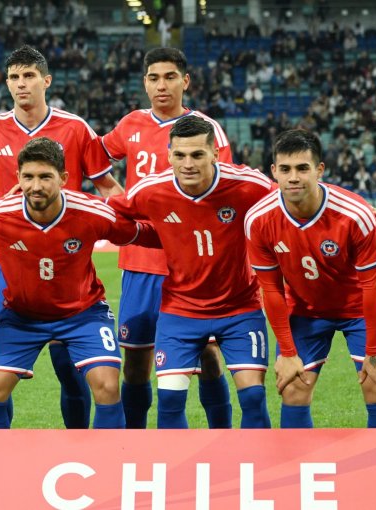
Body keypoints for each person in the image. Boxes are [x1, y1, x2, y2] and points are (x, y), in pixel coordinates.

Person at [0, 45, 124, 429]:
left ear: (46, 81)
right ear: (6, 83)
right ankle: (4, 455)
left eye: (30, 76)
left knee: (72, 370)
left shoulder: (75, 129)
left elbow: (108, 187)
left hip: (63, 258)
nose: (22, 84)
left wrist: (149, 219)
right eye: (15, 77)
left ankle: (81, 445)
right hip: (6, 260)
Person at [0, 137, 159, 429]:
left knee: (107, 385)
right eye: (28, 177)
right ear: (17, 178)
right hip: (20, 318)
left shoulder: (91, 212)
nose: (35, 185)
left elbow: (145, 234)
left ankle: (110, 464)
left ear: (64, 179)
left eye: (45, 177)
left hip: (84, 314)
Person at [107, 116, 274, 429]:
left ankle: (245, 465)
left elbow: (293, 199)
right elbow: (110, 211)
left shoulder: (248, 185)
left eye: (197, 155)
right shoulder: (152, 190)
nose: (188, 164)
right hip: (180, 309)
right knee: (169, 401)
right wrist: (147, 235)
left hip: (239, 307)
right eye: (180, 155)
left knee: (253, 397)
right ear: (168, 155)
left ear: (215, 154)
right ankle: (176, 474)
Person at [100, 47, 233, 429]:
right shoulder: (130, 124)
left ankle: (221, 437)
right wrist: (112, 193)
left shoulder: (206, 129)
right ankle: (137, 443)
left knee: (206, 355)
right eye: (154, 78)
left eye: (170, 77)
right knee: (136, 359)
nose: (162, 85)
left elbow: (226, 188)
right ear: (145, 82)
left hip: (191, 262)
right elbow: (91, 158)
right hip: (141, 260)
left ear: (185, 81)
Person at [245, 129, 376, 428]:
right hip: (305, 310)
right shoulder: (259, 220)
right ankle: (296, 470)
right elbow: (272, 291)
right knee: (293, 389)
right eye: (286, 169)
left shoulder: (355, 215)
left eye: (303, 168)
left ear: (319, 170)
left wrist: (374, 352)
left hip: (360, 308)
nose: (294, 178)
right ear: (274, 171)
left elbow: (373, 286)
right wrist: (287, 353)